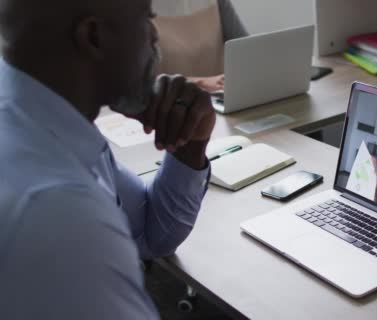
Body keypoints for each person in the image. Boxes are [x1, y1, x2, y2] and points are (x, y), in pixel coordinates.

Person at [0, 0, 216, 318]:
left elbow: (150, 236)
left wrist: (190, 145)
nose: (155, 37)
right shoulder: (60, 213)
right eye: (147, 20)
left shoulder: (47, 121)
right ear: (94, 37)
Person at [154, 0, 248, 91]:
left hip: (223, 99)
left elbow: (247, 51)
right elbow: (143, 85)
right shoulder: (141, 9)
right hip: (175, 104)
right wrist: (201, 82)